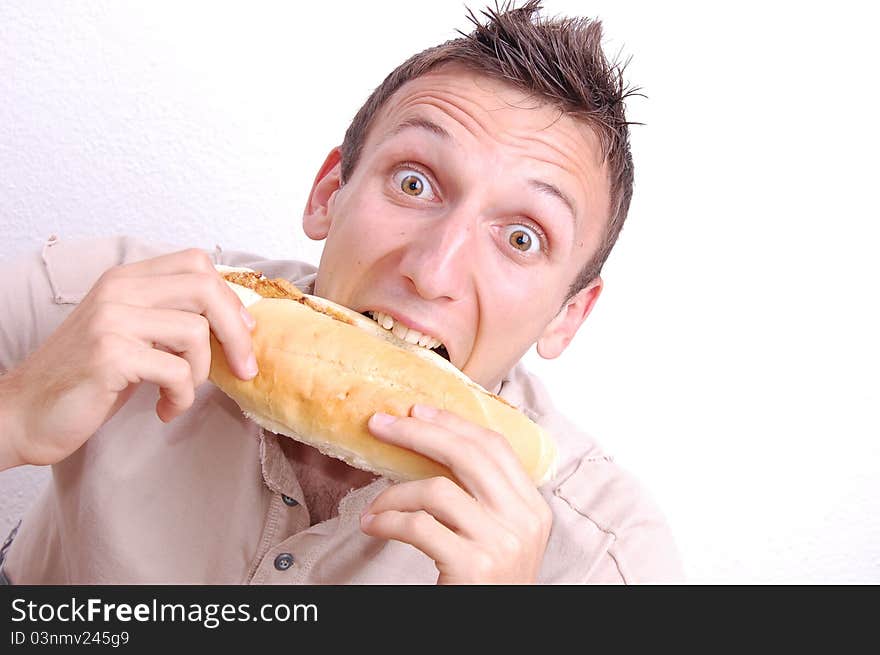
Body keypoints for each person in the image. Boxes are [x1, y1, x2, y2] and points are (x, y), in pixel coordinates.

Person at [0, 1, 683, 584]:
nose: (432, 270)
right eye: (414, 182)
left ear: (568, 316)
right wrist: (17, 413)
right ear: (330, 194)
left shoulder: (605, 556)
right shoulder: (102, 308)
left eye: (522, 237)